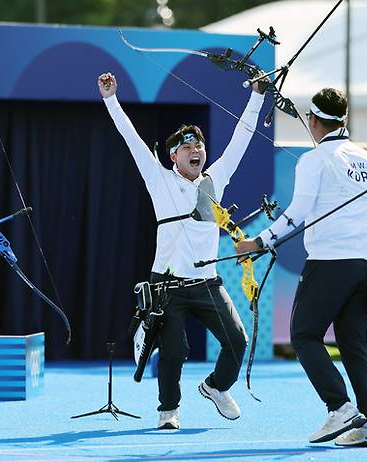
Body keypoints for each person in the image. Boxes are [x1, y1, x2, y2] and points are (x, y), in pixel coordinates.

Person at [98, 72, 266, 430]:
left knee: (237, 340)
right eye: (187, 147)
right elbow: (131, 139)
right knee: (175, 351)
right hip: (168, 285)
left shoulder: (215, 180)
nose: (196, 151)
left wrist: (256, 96)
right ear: (173, 155)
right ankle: (168, 410)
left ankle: (216, 387)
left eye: (200, 147)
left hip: (207, 282)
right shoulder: (160, 179)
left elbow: (242, 138)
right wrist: (111, 99)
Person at [237, 88, 367, 447]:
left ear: (314, 121)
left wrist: (259, 242)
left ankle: (339, 407)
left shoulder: (314, 159)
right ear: (345, 120)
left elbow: (297, 214)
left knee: (304, 335)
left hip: (331, 263)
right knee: (353, 343)